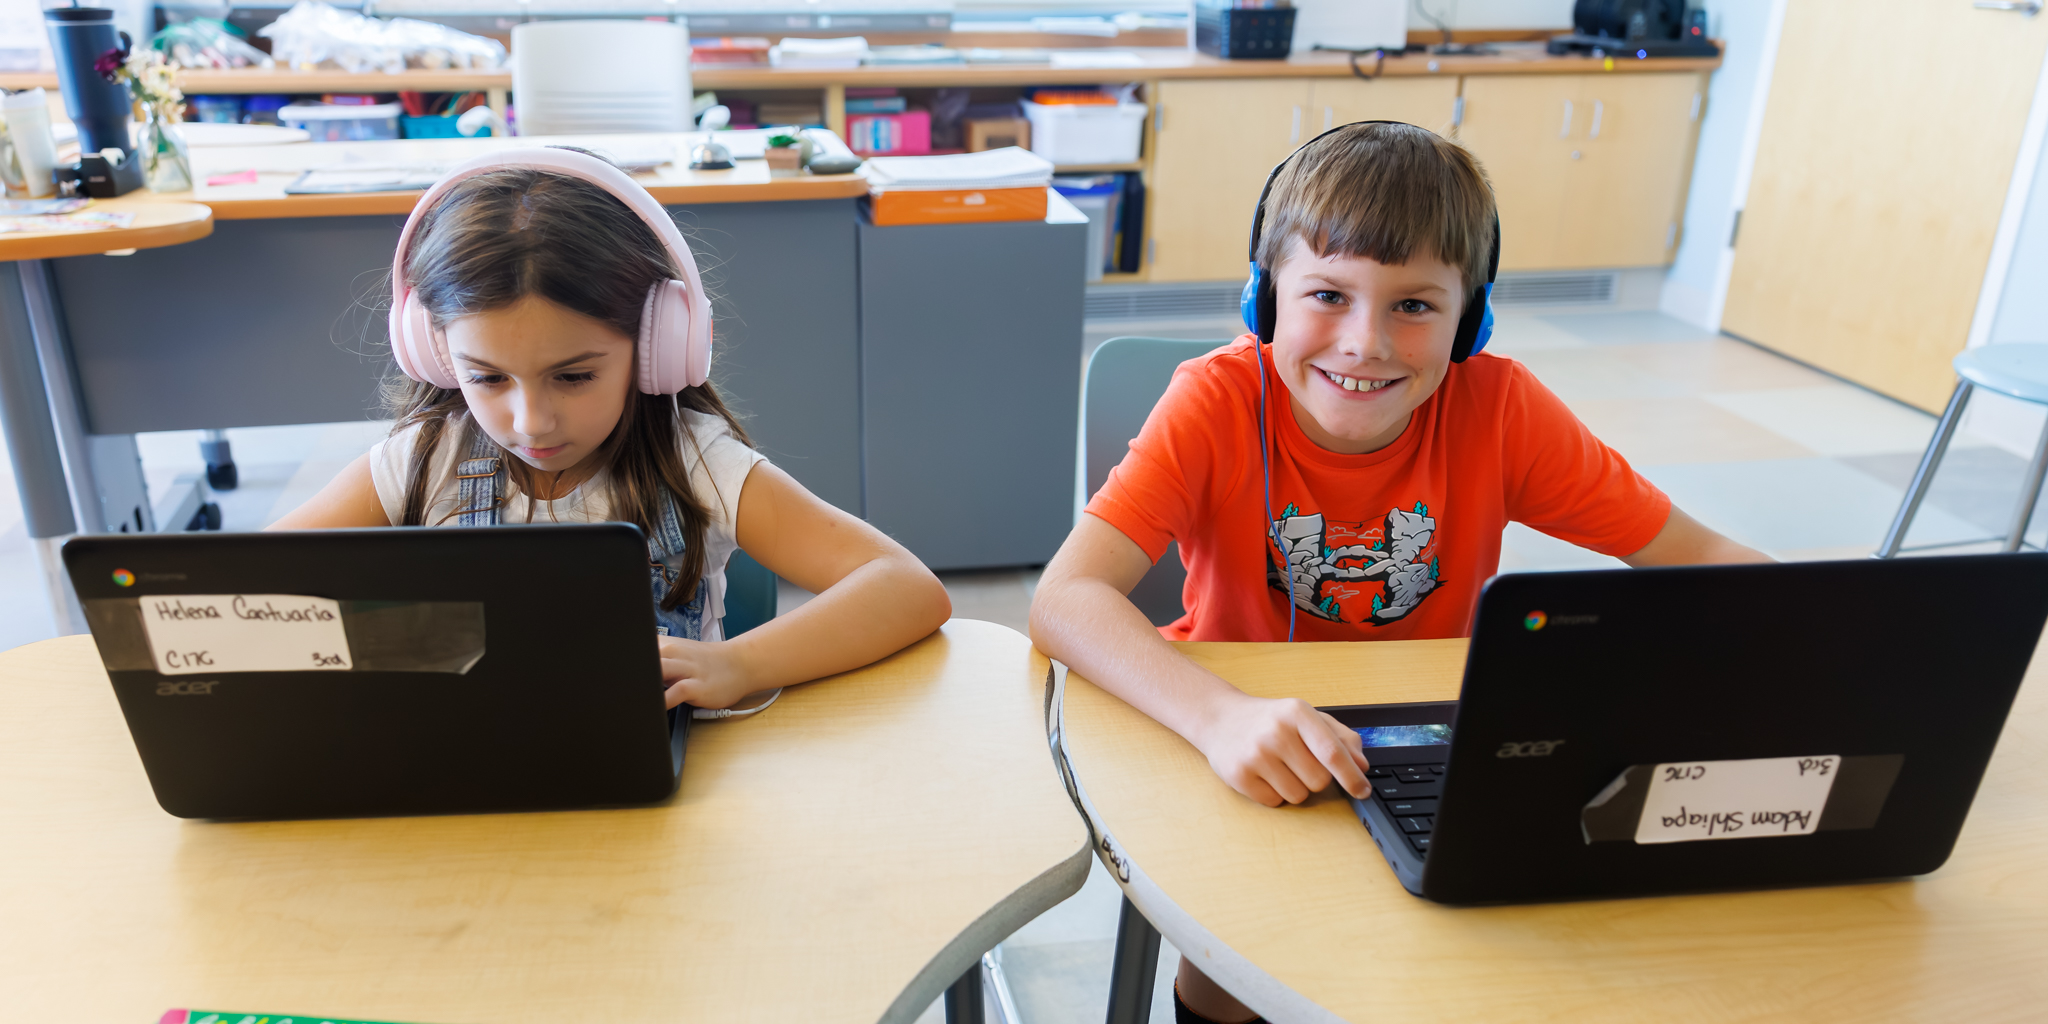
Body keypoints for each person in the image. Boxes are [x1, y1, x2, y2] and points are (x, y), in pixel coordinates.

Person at [1028, 122, 1769, 1024]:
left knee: (1494, 952)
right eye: (1327, 295)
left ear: (1471, 321)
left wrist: (1825, 630)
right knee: (1234, 965)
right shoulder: (1216, 400)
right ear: (1264, 298)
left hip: (1431, 742)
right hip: (1236, 729)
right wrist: (1220, 717)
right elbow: (1065, 599)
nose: (1364, 343)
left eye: (1414, 305)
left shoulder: (1501, 409)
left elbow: (1704, 558)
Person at [274, 147, 951, 713]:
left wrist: (740, 663)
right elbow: (240, 596)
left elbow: (904, 586)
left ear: (657, 346)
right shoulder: (425, 459)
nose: (531, 420)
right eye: (488, 378)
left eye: (573, 376)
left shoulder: (697, 466)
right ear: (435, 352)